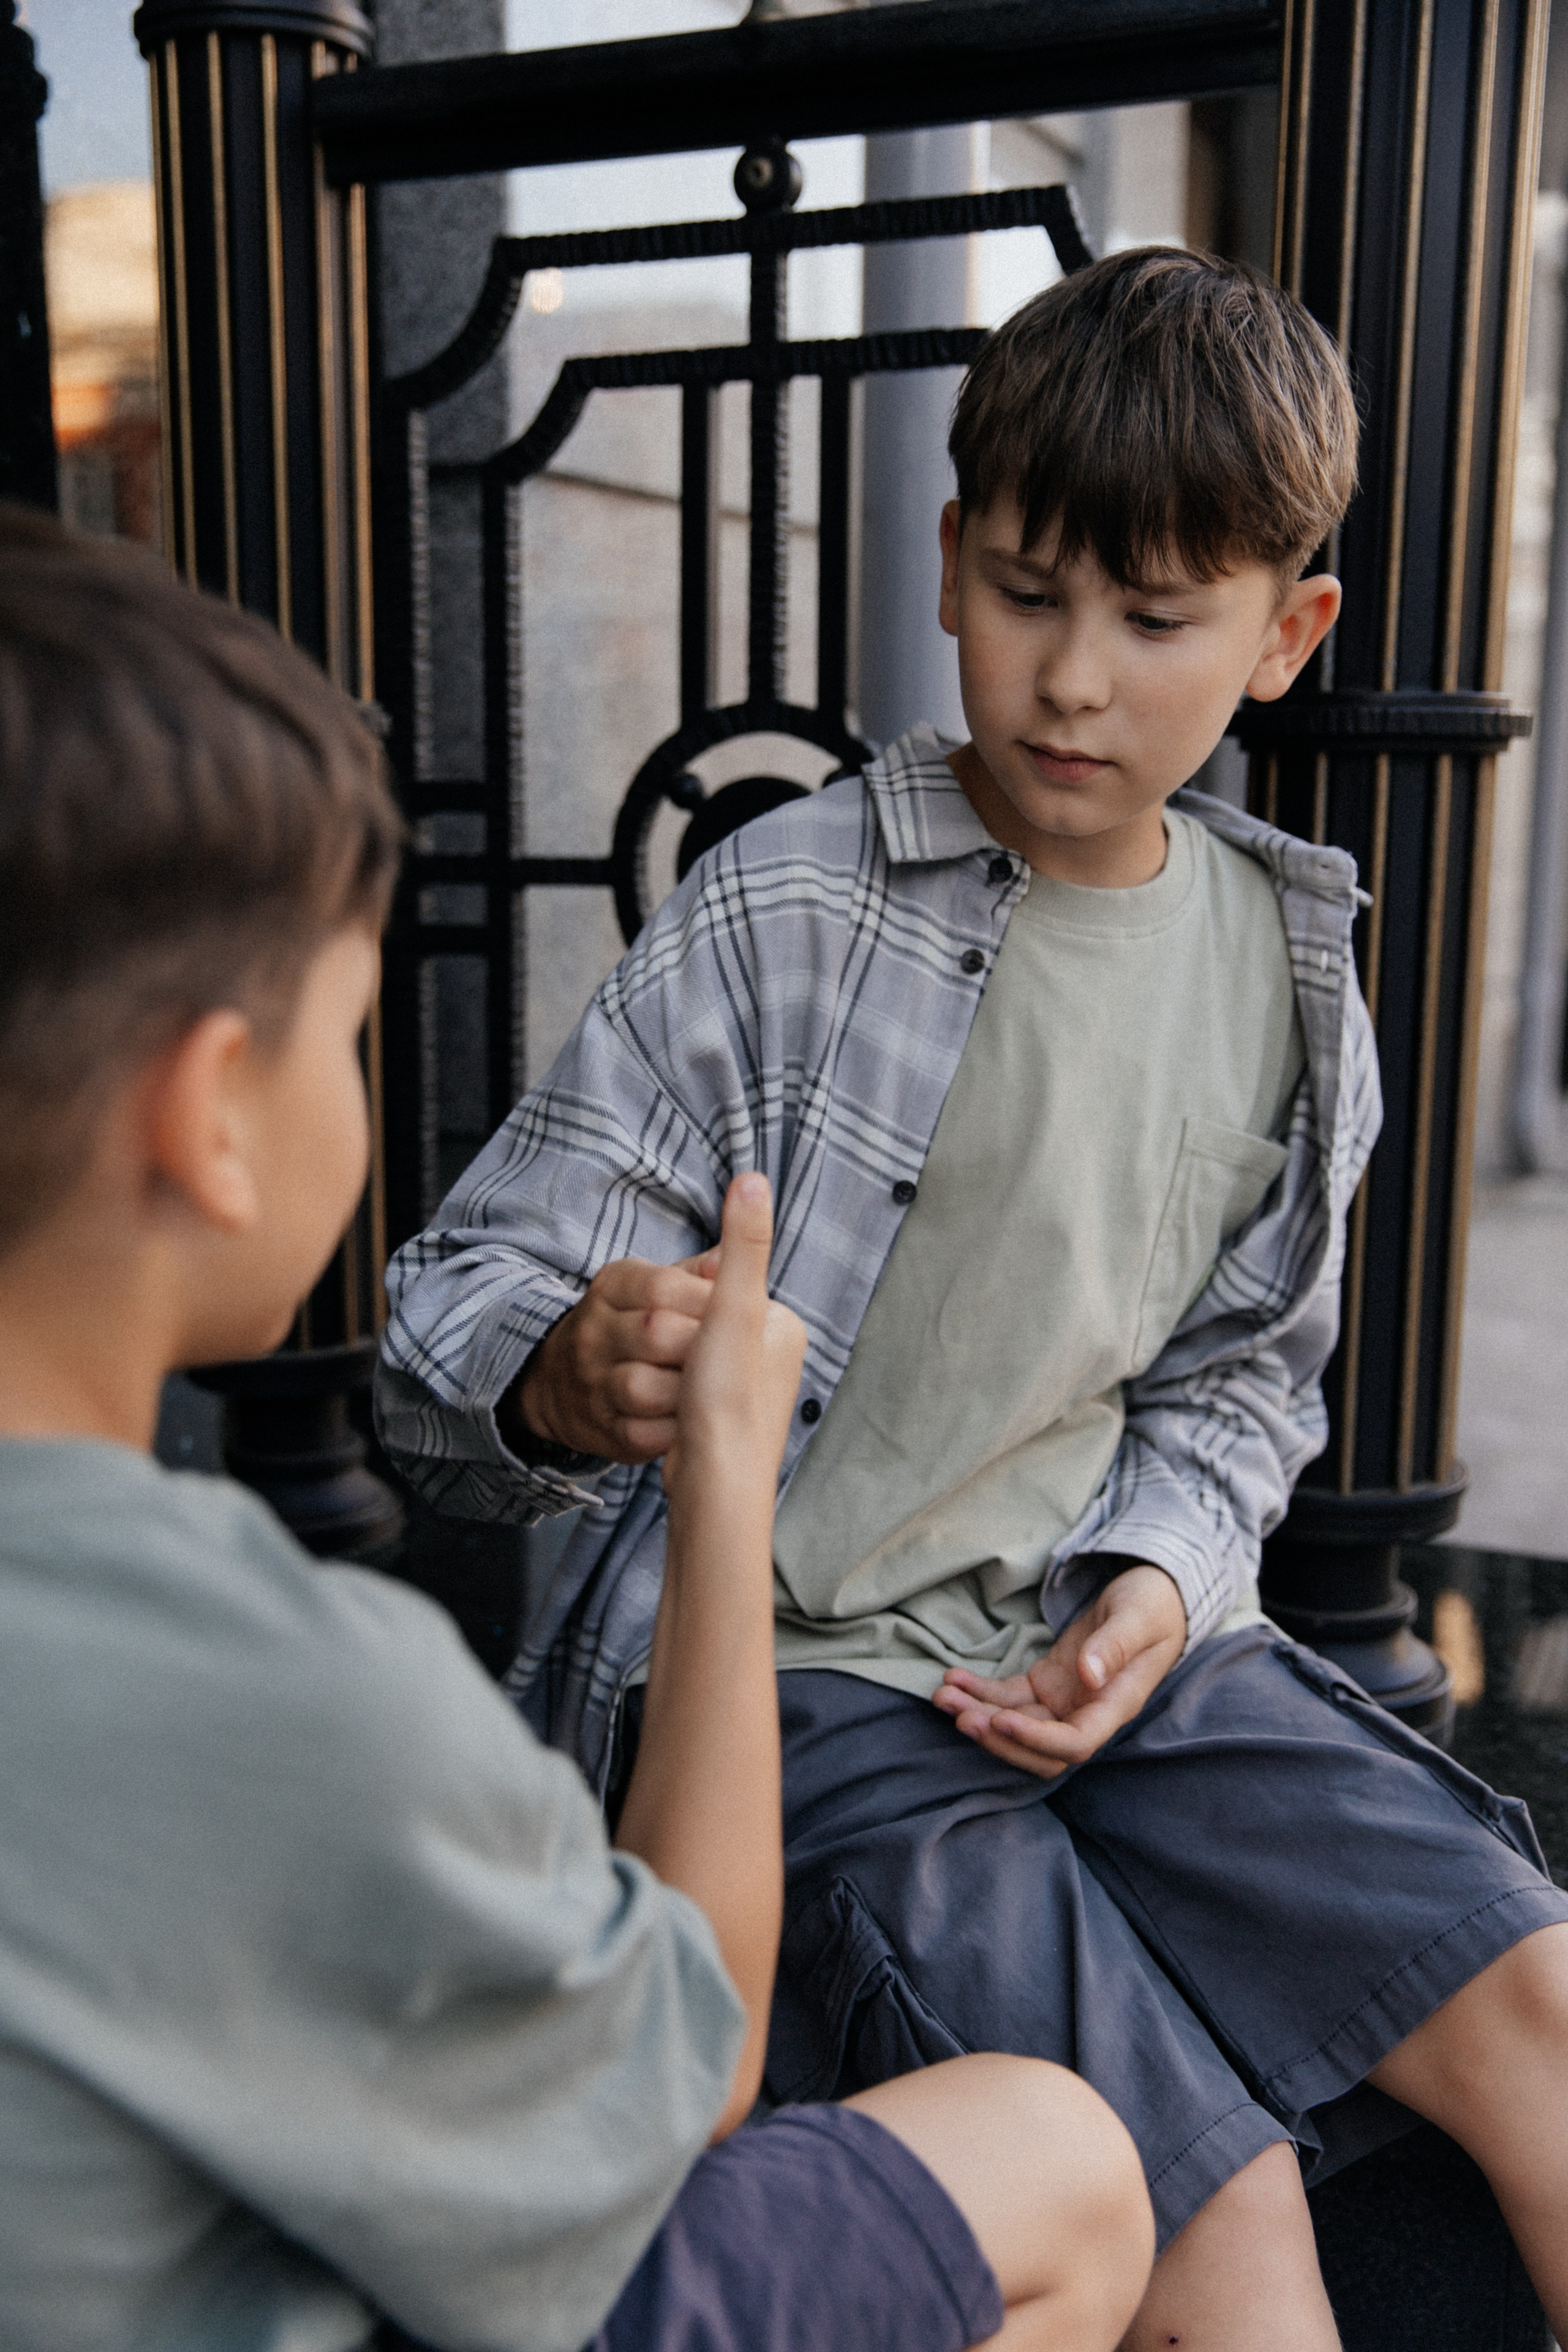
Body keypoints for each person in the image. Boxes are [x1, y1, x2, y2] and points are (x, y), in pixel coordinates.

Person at [379, 246, 1568, 2351]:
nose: (1074, 679)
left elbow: (1239, 1389)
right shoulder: (789, 913)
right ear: (947, 566)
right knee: (1219, 2224)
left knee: (1540, 1999)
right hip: (817, 1694)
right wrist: (567, 1369)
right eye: (1029, 593)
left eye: (1156, 618)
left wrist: (1164, 1577)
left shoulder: (1293, 978)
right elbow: (445, 1314)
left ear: (1287, 636)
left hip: (1115, 1656)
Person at [0, 507, 1156, 2352]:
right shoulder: (278, 1690)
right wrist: (723, 1477)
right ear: (211, 1112)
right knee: (1063, 2159)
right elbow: (688, 2060)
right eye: (347, 1027)